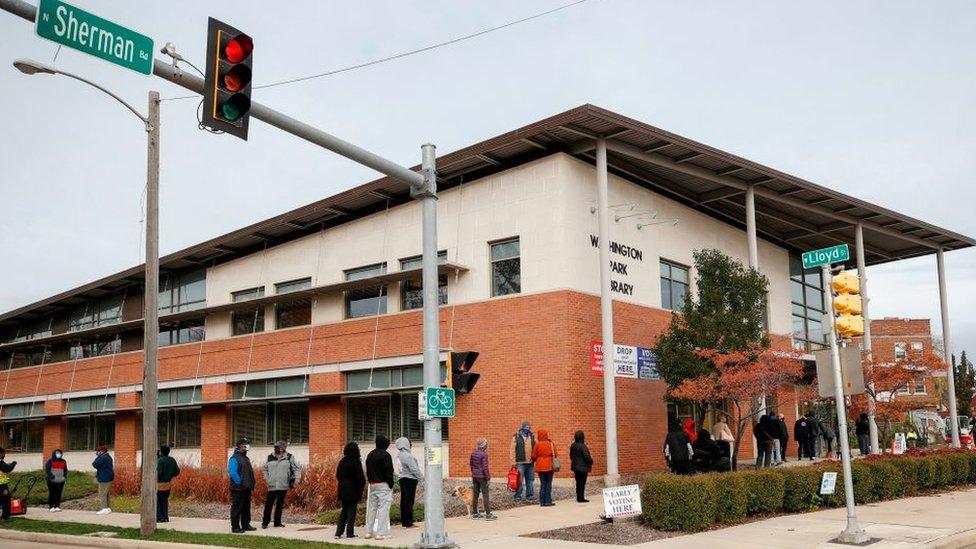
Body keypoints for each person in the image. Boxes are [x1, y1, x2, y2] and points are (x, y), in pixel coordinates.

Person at [261, 441, 301, 529]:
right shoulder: (269, 457)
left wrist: (296, 480)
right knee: (268, 504)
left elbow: (296, 469)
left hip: (283, 484)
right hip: (272, 485)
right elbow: (264, 469)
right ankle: (265, 523)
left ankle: (277, 522)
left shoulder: (289, 457)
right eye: (275, 447)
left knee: (280, 504)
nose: (275, 448)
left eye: (277, 447)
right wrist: (267, 479)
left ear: (283, 448)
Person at [364, 435, 394, 540]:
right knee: (383, 509)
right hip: (383, 484)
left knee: (371, 509)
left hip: (372, 484)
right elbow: (389, 471)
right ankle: (381, 533)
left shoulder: (370, 454)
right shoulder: (386, 455)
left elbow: (367, 470)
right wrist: (391, 483)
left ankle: (368, 532)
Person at [335, 442, 366, 540]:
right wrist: (361, 486)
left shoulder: (342, 461)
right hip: (353, 490)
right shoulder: (356, 461)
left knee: (344, 510)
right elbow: (360, 478)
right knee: (351, 511)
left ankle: (338, 533)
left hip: (343, 489)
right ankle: (350, 533)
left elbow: (338, 475)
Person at [228, 437, 256, 533]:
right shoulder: (234, 458)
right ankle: (235, 527)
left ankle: (245, 525)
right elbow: (232, 472)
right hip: (238, 488)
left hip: (246, 487)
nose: (248, 446)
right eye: (246, 444)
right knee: (237, 508)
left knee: (246, 507)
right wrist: (240, 482)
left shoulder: (245, 457)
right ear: (240, 445)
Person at [395, 437, 422, 528]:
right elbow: (414, 469)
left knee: (404, 502)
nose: (411, 446)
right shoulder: (407, 456)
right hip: (409, 480)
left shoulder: (399, 455)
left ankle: (404, 522)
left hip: (402, 479)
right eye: (409, 444)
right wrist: (421, 478)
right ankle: (409, 523)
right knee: (409, 502)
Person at [509, 420, 536, 504]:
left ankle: (530, 496)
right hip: (520, 463)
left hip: (530, 462)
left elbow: (536, 447)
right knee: (519, 480)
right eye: (525, 427)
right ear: (522, 427)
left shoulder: (532, 436)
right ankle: (518, 496)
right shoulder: (516, 437)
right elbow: (512, 450)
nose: (527, 429)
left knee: (530, 480)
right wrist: (513, 462)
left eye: (528, 428)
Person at [470, 438, 497, 520]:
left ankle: (475, 513)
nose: (487, 445)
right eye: (486, 444)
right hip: (482, 477)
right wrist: (488, 478)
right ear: (484, 445)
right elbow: (485, 468)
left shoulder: (473, 453)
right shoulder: (484, 454)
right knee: (485, 495)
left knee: (475, 495)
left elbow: (471, 464)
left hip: (475, 477)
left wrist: (474, 473)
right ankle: (488, 514)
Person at [532, 429, 557, 507]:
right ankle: (548, 501)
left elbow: (533, 456)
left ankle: (542, 502)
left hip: (540, 466)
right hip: (549, 465)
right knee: (548, 483)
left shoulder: (537, 445)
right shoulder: (551, 444)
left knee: (543, 484)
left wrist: (538, 459)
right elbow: (555, 454)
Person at [157, 445, 180, 522]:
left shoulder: (160, 461)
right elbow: (177, 472)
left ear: (161, 451)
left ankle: (160, 517)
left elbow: (158, 474)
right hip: (168, 484)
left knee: (158, 501)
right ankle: (166, 517)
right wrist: (169, 475)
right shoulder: (172, 460)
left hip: (159, 484)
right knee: (165, 500)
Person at [569, 430, 593, 503]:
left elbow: (571, 455)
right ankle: (581, 498)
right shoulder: (583, 446)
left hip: (575, 467)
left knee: (578, 483)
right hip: (583, 467)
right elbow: (586, 457)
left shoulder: (573, 445)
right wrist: (591, 461)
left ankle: (578, 497)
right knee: (582, 483)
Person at [92, 445, 114, 515]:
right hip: (108, 477)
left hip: (104, 478)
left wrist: (98, 456)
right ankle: (107, 508)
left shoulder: (103, 457)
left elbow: (95, 464)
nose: (97, 452)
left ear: (101, 451)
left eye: (98, 451)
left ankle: (104, 508)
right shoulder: (108, 457)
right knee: (106, 493)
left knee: (102, 494)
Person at [0, 448, 16, 521]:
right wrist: (13, 463)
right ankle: (5, 517)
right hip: (2, 485)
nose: (4, 455)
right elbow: (7, 469)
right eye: (4, 454)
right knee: (6, 500)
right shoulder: (0, 462)